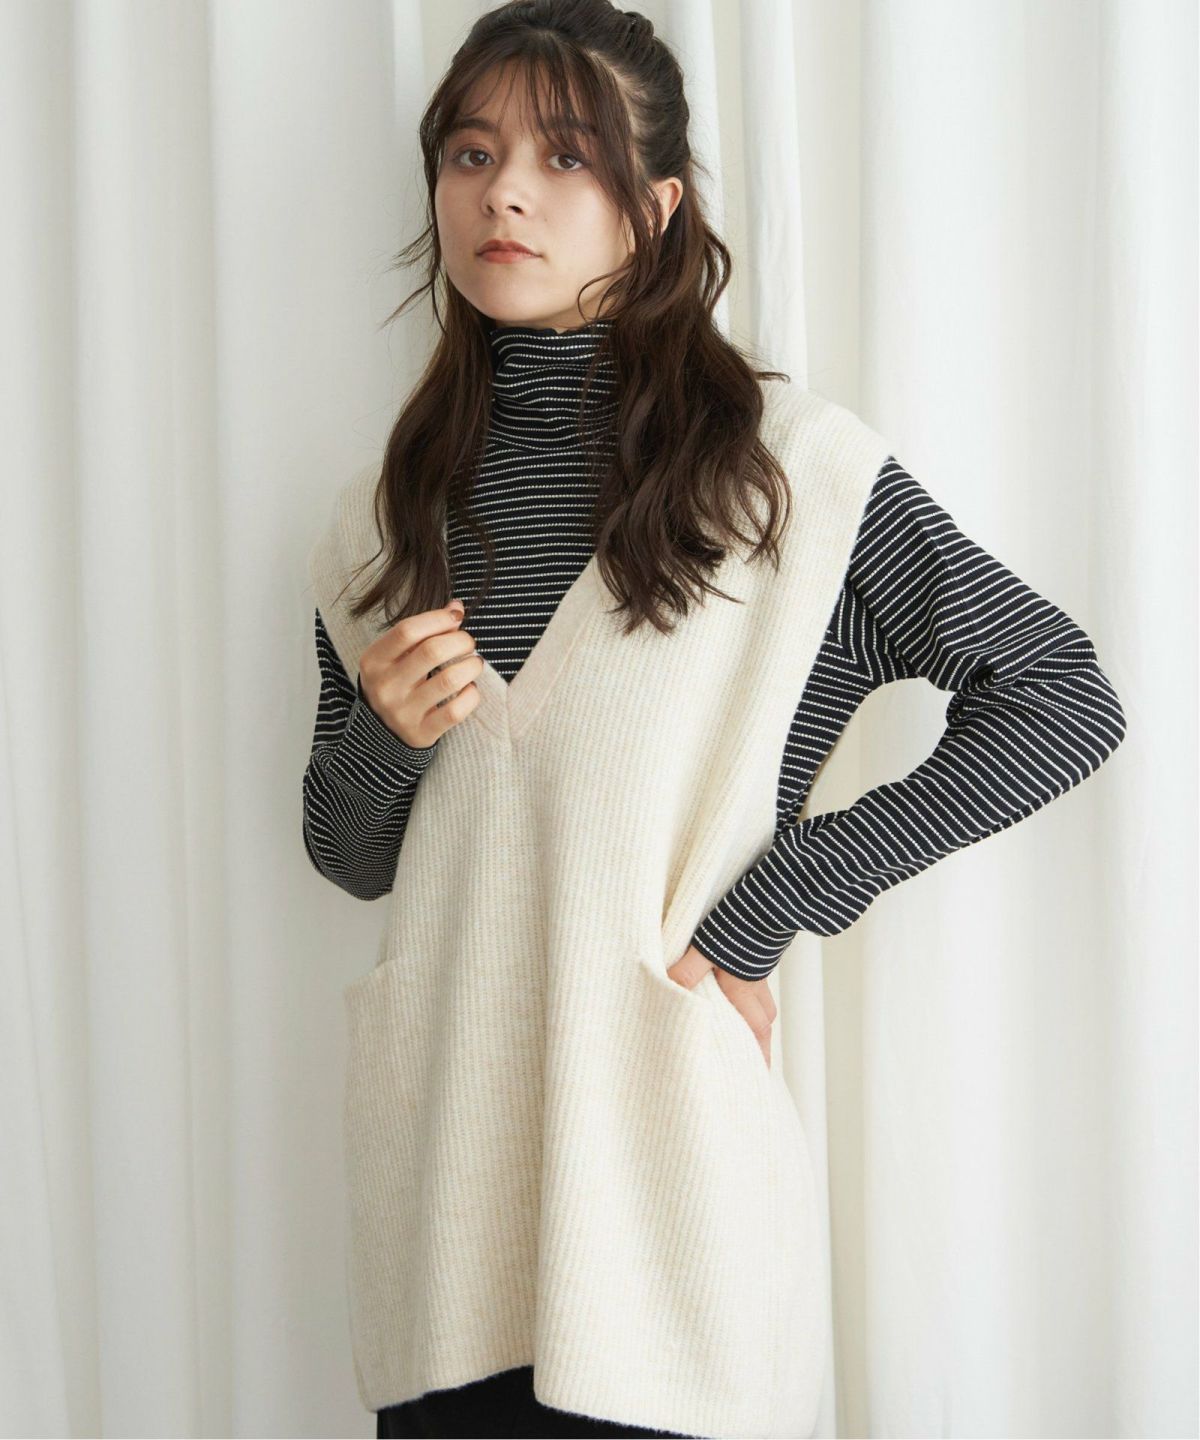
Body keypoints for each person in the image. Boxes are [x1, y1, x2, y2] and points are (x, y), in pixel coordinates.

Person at [302, 4, 1127, 1437]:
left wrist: (774, 905)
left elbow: (1058, 698)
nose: (503, 194)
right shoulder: (385, 519)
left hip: (665, 1220)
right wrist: (383, 736)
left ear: (658, 206)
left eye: (566, 157)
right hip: (443, 1221)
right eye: (472, 154)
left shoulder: (787, 483)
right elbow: (349, 854)